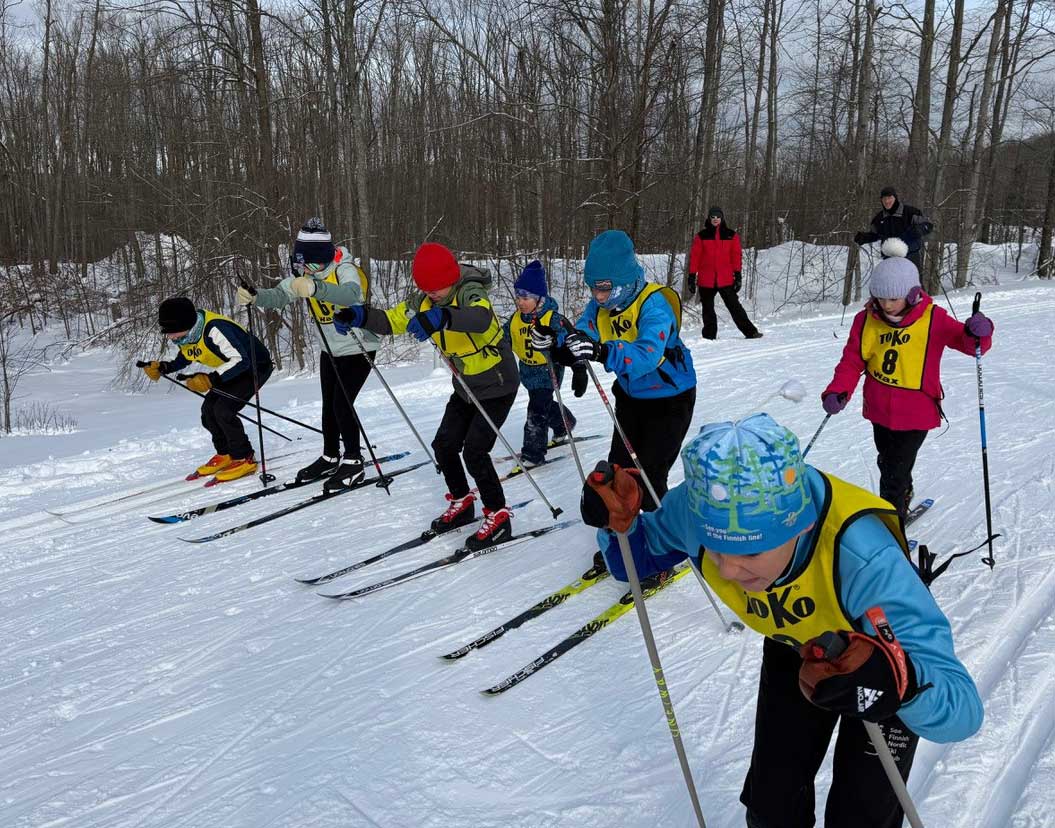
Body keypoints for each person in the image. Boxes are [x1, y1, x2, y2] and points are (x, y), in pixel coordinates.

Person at [585, 413, 984, 828]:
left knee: (862, 814)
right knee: (772, 803)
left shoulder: (866, 559)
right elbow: (638, 559)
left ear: (801, 525)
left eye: (752, 553)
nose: (727, 572)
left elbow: (963, 713)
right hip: (793, 645)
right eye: (715, 549)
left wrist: (902, 683)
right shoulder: (698, 507)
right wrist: (620, 524)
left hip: (879, 662)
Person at [332, 242, 520, 550]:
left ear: (452, 277)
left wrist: (442, 318)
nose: (433, 294)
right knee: (444, 445)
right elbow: (391, 320)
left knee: (475, 451)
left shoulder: (470, 290)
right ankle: (462, 503)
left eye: (438, 288)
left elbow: (480, 318)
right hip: (465, 385)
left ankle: (498, 515)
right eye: (427, 289)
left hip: (498, 383)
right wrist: (359, 316)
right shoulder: (424, 301)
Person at [531, 229, 696, 570]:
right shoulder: (600, 306)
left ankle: (658, 546)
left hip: (671, 400)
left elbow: (647, 355)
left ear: (624, 279)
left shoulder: (655, 303)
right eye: (594, 288)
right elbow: (581, 335)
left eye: (605, 288)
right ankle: (624, 538)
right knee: (618, 469)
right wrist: (557, 342)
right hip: (631, 398)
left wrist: (603, 350)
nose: (599, 296)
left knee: (649, 474)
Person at [822, 255, 994, 522]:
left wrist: (978, 332)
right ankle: (902, 492)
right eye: (880, 298)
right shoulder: (865, 319)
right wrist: (838, 389)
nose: (886, 305)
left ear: (913, 294)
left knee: (893, 471)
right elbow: (852, 359)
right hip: (879, 409)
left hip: (916, 412)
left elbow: (972, 346)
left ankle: (892, 526)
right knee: (888, 460)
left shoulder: (933, 318)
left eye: (893, 298)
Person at [236, 218, 380, 491]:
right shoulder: (306, 274)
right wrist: (255, 297)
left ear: (325, 257)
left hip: (359, 346)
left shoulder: (345, 268)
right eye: (304, 265)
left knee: (343, 404)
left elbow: (351, 295)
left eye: (313, 264)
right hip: (330, 349)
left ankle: (353, 461)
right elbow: (280, 295)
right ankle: (330, 456)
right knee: (329, 404)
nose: (308, 270)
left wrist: (316, 288)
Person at [142, 296, 273, 482]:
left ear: (186, 323)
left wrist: (210, 379)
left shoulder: (215, 329)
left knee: (223, 410)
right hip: (231, 369)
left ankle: (244, 457)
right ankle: (225, 453)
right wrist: (164, 367)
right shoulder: (189, 334)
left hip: (254, 366)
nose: (170, 337)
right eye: (167, 332)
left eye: (173, 332)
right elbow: (188, 354)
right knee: (208, 411)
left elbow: (241, 359)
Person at [502, 259, 586, 470]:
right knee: (543, 404)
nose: (520, 302)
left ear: (540, 298)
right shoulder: (516, 319)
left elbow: (569, 341)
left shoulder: (552, 318)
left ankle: (533, 453)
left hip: (548, 371)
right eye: (518, 296)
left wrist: (578, 367)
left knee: (536, 411)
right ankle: (564, 423)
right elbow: (503, 338)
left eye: (526, 297)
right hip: (528, 372)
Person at [688, 206, 762, 340]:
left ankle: (751, 332)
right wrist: (692, 276)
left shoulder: (731, 235)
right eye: (713, 217)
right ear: (709, 219)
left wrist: (738, 275)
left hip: (725, 279)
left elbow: (736, 256)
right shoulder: (701, 236)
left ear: (722, 218)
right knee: (708, 309)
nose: (715, 219)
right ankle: (709, 336)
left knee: (735, 307)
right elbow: (695, 257)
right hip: (706, 279)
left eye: (718, 217)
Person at [854, 186, 934, 273]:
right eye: (884, 199)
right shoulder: (879, 218)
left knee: (913, 285)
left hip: (910, 256)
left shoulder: (910, 212)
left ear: (895, 198)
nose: (887, 201)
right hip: (889, 258)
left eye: (889, 198)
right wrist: (864, 237)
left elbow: (928, 225)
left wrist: (917, 230)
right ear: (881, 200)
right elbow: (875, 234)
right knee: (891, 285)